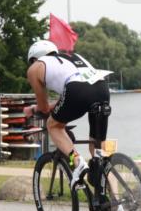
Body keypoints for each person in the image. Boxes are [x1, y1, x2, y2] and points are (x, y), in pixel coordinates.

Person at [23, 40, 112, 187]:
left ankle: (77, 162)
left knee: (53, 125)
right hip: (102, 88)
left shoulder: (35, 68)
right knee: (98, 150)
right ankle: (117, 200)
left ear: (33, 59)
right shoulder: (72, 57)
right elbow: (70, 96)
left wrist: (33, 109)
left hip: (76, 90)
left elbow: (44, 108)